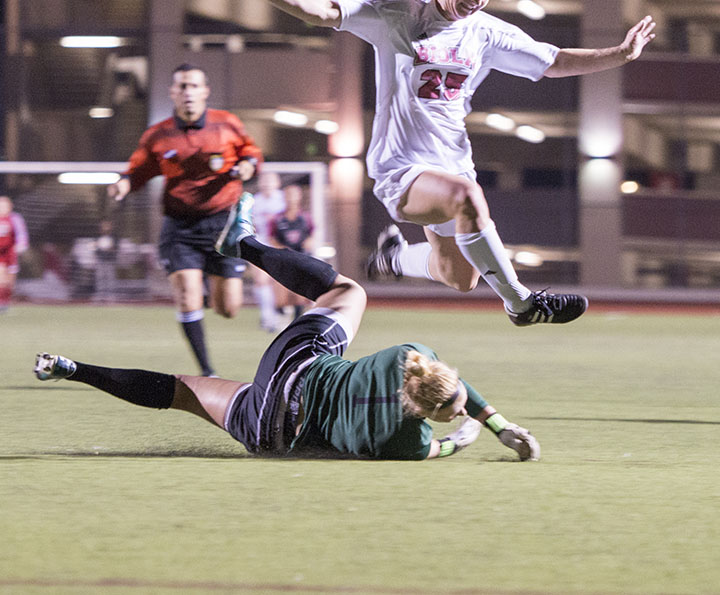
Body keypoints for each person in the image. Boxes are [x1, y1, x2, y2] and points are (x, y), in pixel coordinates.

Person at [204, 0, 656, 326]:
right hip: (400, 169)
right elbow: (324, 10)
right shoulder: (400, 17)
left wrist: (619, 54)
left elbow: (553, 61)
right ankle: (521, 303)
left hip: (451, 164)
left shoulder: (485, 33)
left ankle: (394, 258)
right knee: (467, 199)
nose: (478, 0)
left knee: (460, 277)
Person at [34, 192, 540, 462]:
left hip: (291, 367)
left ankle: (245, 245)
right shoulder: (405, 445)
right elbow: (443, 445)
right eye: (453, 410)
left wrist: (487, 416)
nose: (457, 413)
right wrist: (481, 431)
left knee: (349, 293)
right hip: (270, 431)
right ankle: (72, 370)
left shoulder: (404, 356)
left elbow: (455, 388)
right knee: (183, 392)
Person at [109, 63, 263, 376]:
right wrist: (123, 184)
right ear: (172, 93)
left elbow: (251, 153)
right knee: (186, 297)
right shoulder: (158, 134)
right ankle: (208, 372)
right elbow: (138, 169)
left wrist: (248, 166)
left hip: (223, 226)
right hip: (181, 228)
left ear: (205, 91)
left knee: (228, 309)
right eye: (181, 86)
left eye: (193, 86)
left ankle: (206, 286)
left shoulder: (226, 124)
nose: (188, 92)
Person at [270, 183, 315, 323]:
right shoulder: (277, 218)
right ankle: (279, 315)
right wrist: (283, 250)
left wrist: (308, 243)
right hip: (284, 259)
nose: (291, 198)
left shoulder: (305, 217)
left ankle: (298, 318)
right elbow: (271, 238)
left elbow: (312, 235)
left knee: (300, 290)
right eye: (288, 194)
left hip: (301, 258)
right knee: (281, 290)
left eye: (294, 194)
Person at [251, 170, 287, 331]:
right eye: (263, 181)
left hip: (280, 245)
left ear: (277, 183)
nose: (266, 184)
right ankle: (267, 317)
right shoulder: (253, 202)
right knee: (260, 279)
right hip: (260, 243)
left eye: (270, 181)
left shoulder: (283, 200)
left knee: (281, 282)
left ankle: (284, 312)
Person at [0, 195, 30, 312]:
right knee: (1, 276)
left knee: (9, 281)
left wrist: (21, 246)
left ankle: (5, 302)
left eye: (5, 205)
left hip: (11, 253)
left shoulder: (15, 219)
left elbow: (22, 234)